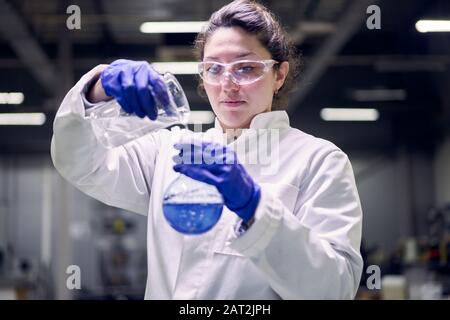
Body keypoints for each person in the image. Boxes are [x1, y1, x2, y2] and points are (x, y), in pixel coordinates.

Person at [51, 0, 363, 299]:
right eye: (214, 69)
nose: (228, 85)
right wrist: (97, 90)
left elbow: (334, 288)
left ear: (279, 74)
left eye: (246, 68)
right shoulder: (170, 152)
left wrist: (256, 209)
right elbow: (80, 163)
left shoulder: (319, 161)